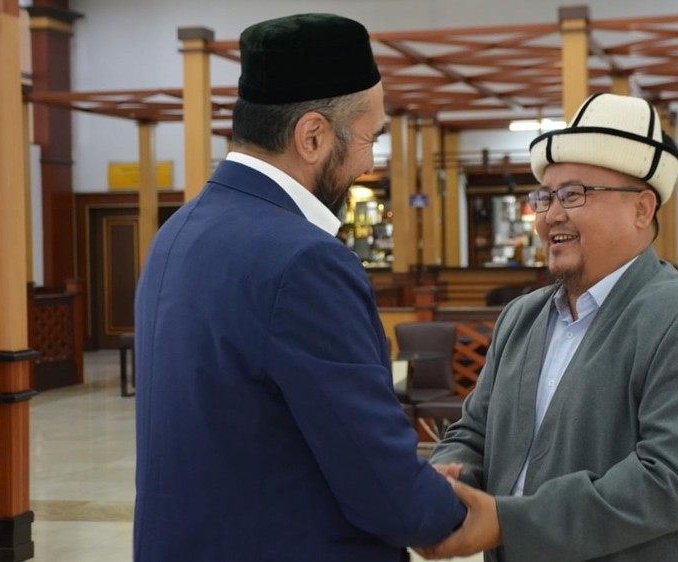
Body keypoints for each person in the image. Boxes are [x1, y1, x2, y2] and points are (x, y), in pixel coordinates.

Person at [133, 14, 465, 561]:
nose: (369, 162)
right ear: (313, 136)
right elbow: (381, 487)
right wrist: (443, 506)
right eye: (370, 138)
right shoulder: (304, 259)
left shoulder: (177, 232)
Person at [419, 93, 678, 562]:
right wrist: (446, 480)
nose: (550, 215)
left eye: (573, 194)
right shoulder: (521, 318)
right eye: (544, 197)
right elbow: (473, 432)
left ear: (642, 209)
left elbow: (670, 481)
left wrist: (508, 522)